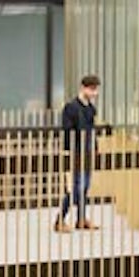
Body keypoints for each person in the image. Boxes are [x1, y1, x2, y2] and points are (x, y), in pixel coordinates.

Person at [56, 74, 100, 232]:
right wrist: (70, 150)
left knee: (85, 185)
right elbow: (67, 131)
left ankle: (81, 219)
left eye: (96, 89)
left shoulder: (90, 108)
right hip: (76, 151)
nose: (95, 93)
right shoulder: (71, 107)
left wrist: (95, 148)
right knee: (76, 187)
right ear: (83, 88)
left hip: (87, 150)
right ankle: (60, 219)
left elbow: (91, 130)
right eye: (92, 89)